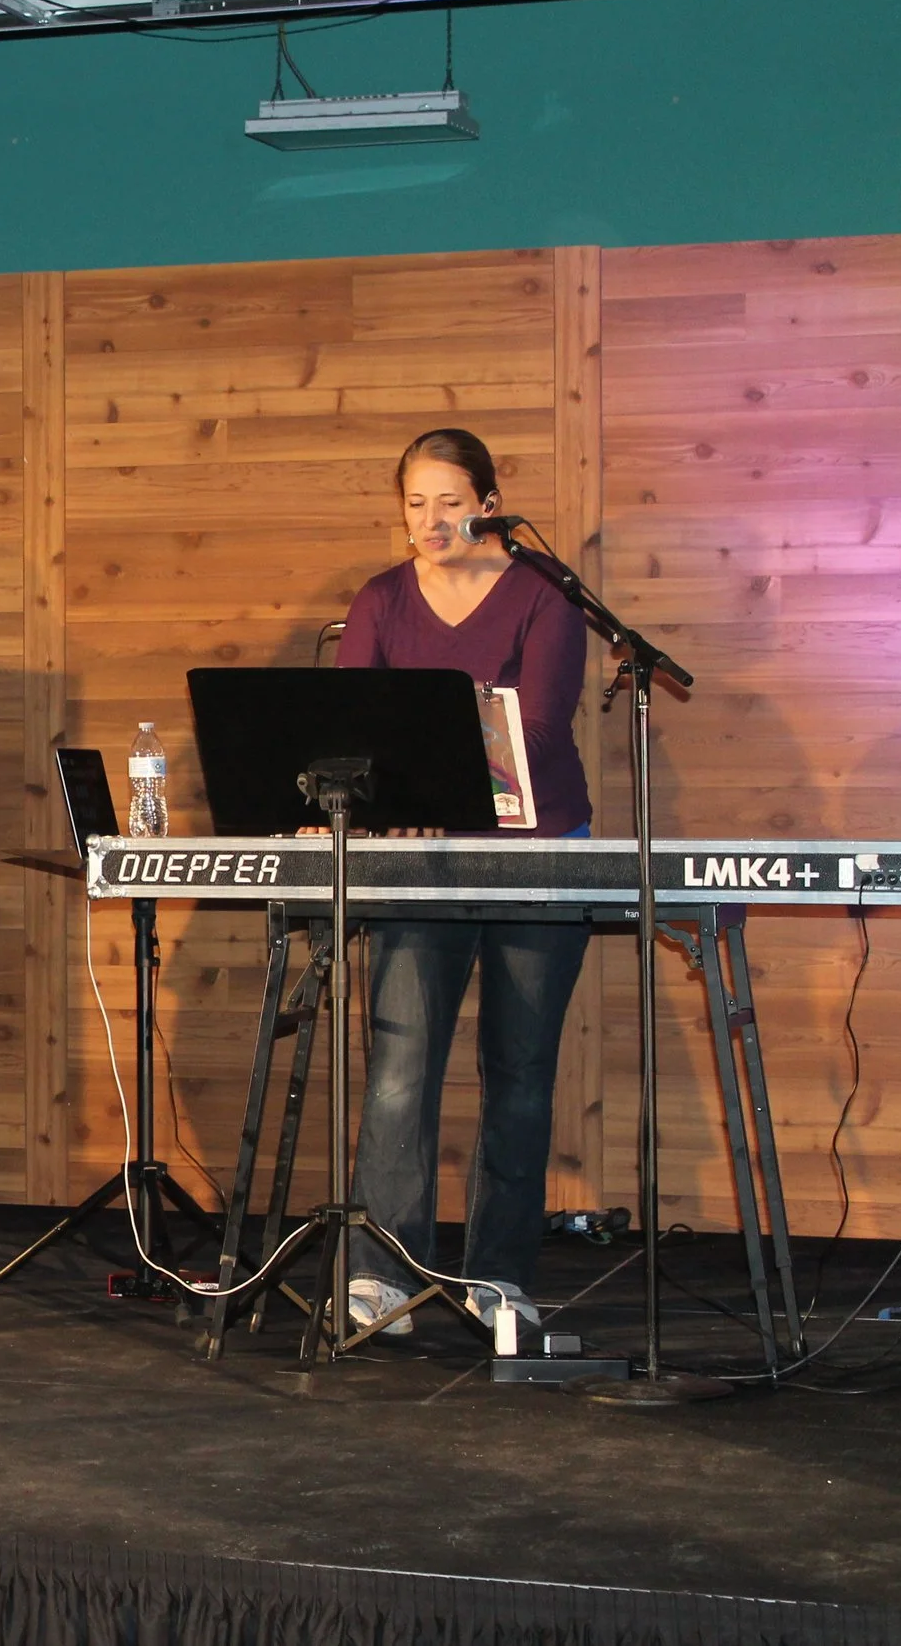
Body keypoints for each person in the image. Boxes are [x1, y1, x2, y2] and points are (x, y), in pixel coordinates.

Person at [334, 426, 593, 1337]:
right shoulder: (380, 599)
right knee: (399, 1072)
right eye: (416, 503)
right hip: (421, 861)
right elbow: (352, 731)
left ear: (489, 503)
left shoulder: (544, 595)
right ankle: (383, 1277)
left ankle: (500, 1278)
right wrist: (395, 796)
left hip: (539, 853)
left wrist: (428, 787)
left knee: (520, 1073)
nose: (431, 520)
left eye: (450, 501)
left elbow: (540, 731)